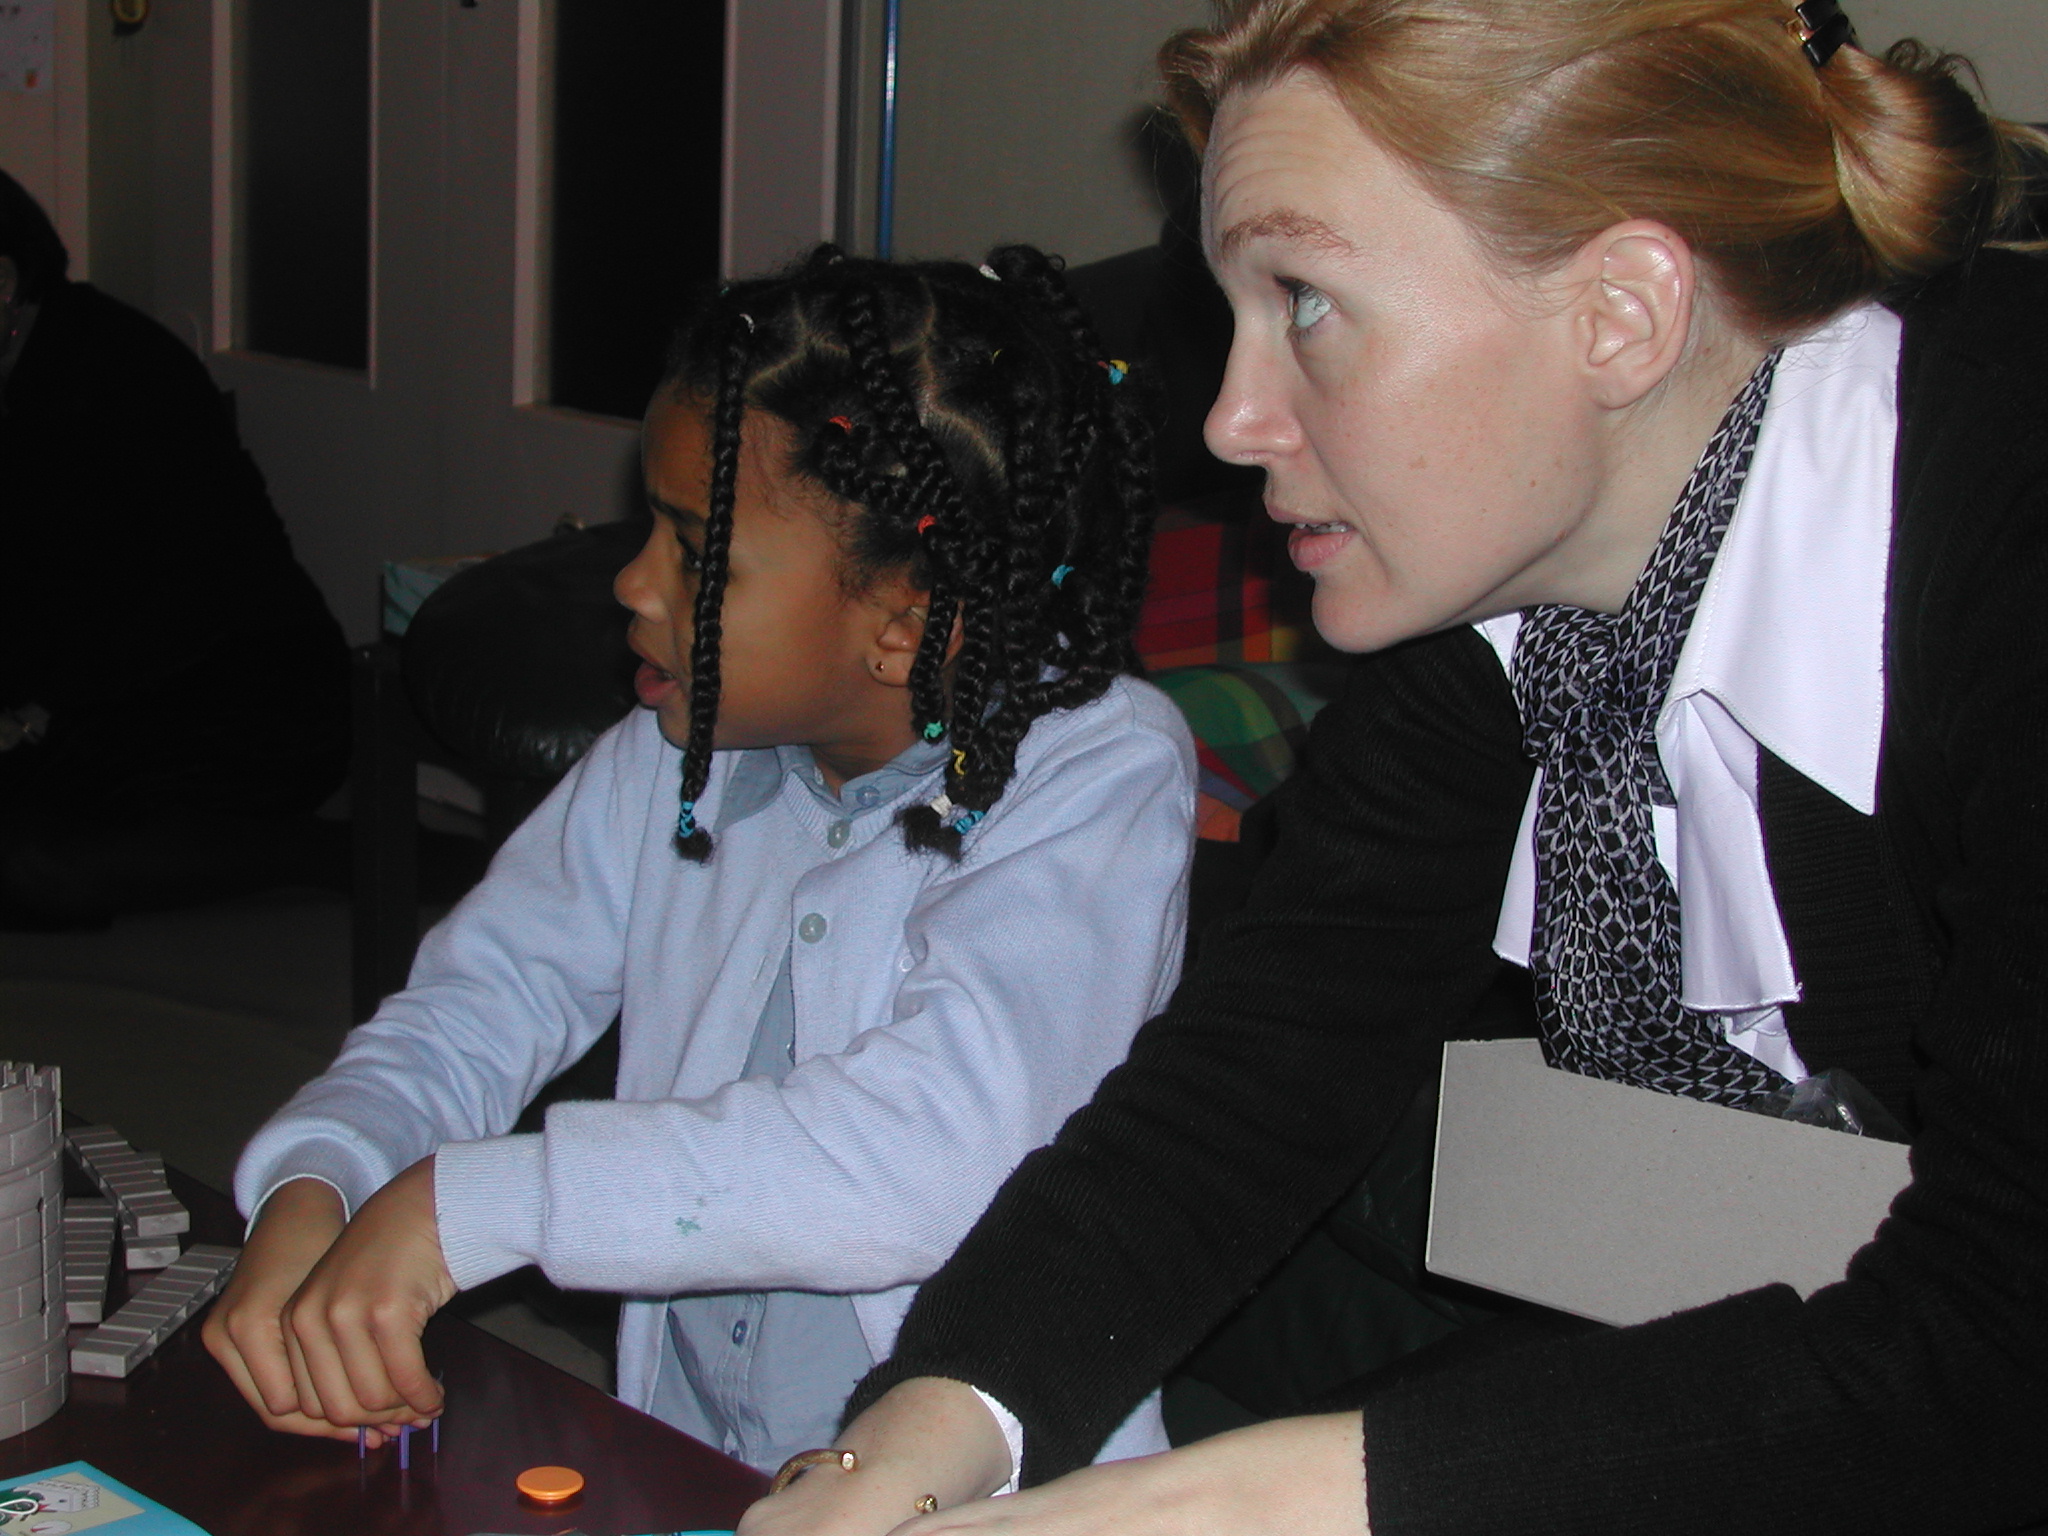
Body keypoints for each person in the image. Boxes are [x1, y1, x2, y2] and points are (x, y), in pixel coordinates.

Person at [735, 3, 2048, 1534]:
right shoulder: (1512, 591)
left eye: (1303, 299)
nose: (1230, 421)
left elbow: (2000, 1344)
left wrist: (1226, 1504)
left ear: (1622, 311)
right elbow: (1268, 1057)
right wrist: (926, 1425)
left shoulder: (2003, 542)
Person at [201, 245, 1197, 1473]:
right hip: (689, 1462)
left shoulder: (1096, 776)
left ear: (901, 622)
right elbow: (479, 1004)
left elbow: (924, 1157)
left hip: (981, 1496)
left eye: (697, 553)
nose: (630, 582)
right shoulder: (671, 751)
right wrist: (325, 1176)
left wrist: (476, 1206)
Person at [0, 166, 350, 929]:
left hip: (239, 691)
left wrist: (31, 717)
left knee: (34, 859)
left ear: (5, 281)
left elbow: (184, 600)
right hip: (94, 701)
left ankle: (344, 858)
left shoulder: (122, 368)